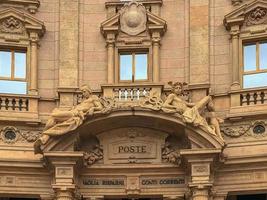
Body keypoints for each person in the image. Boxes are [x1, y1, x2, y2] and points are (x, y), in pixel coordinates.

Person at [37, 85, 104, 146]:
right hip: (73, 112)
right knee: (53, 117)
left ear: (89, 91)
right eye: (82, 92)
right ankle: (45, 137)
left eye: (84, 92)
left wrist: (93, 108)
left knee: (54, 116)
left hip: (74, 114)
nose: (83, 94)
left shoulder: (94, 98)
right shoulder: (84, 101)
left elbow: (100, 107)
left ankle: (43, 135)